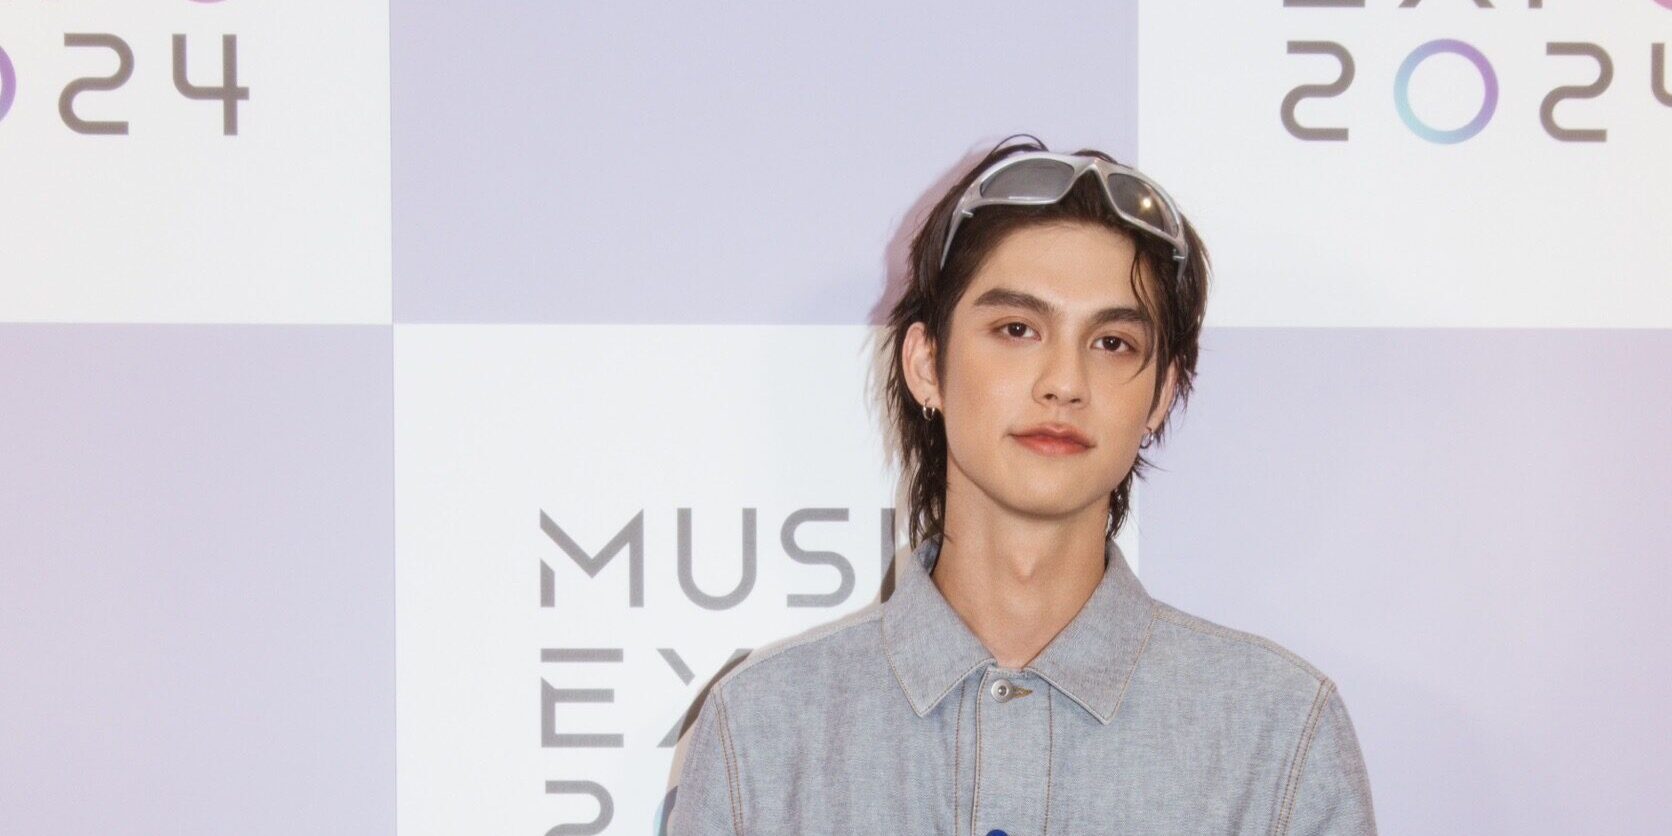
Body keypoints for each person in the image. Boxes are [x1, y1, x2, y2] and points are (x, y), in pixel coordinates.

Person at [667, 136, 1377, 835]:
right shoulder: (760, 733)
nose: (1064, 383)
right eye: (1016, 329)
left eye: (1112, 343)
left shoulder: (1278, 735)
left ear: (1161, 393)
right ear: (926, 363)